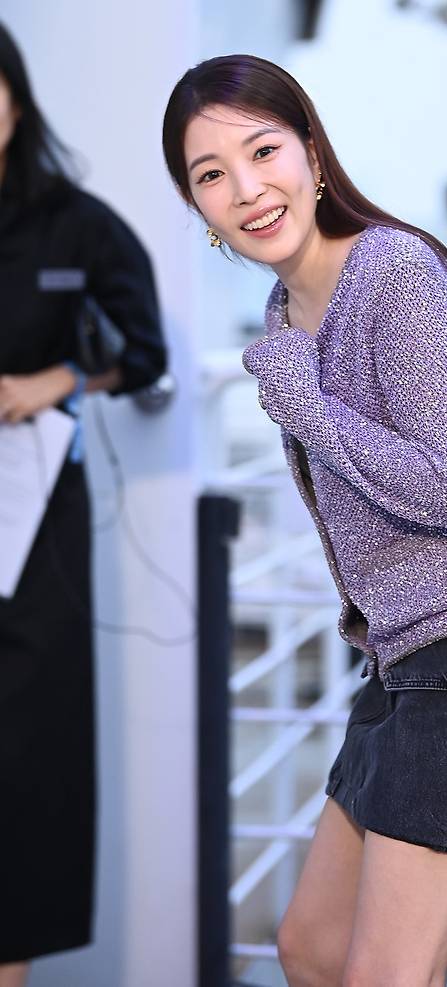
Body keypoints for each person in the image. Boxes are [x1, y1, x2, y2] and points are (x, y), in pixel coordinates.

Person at [162, 53, 447, 987]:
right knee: (310, 947)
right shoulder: (287, 311)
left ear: (312, 155)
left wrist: (305, 406)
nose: (247, 190)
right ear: (199, 209)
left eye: (263, 151)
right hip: (403, 654)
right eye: (212, 175)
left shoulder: (392, 273)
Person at [0, 23, 168, 987]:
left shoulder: (74, 222)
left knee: (26, 753)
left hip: (33, 515)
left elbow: (142, 350)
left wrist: (57, 378)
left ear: (17, 102)